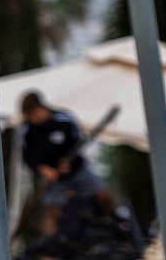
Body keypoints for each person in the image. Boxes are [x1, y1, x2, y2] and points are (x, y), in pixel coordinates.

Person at [21, 91, 112, 237]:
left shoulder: (65, 119)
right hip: (53, 178)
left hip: (78, 170)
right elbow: (28, 156)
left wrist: (69, 162)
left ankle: (114, 225)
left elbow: (78, 143)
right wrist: (44, 169)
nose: (33, 119)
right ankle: (51, 245)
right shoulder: (27, 131)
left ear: (42, 108)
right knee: (52, 210)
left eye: (34, 113)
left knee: (103, 195)